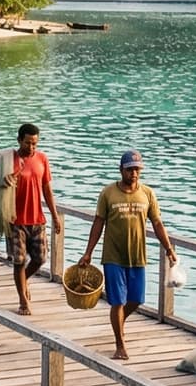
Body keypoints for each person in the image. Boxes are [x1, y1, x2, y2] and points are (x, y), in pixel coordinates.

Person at [75, 151, 177, 362]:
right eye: (130, 169)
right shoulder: (108, 193)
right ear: (121, 170)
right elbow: (98, 223)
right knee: (118, 302)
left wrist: (168, 248)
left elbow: (157, 223)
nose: (134, 174)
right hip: (113, 256)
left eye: (137, 169)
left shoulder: (147, 194)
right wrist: (88, 252)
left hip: (137, 256)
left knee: (136, 300)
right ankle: (120, 344)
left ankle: (118, 323)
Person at [4, 123, 61, 316]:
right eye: (28, 143)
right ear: (19, 140)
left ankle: (23, 280)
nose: (31, 147)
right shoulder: (8, 159)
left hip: (37, 218)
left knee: (40, 259)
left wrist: (54, 215)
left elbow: (47, 189)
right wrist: (5, 180)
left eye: (35, 143)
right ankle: (23, 300)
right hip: (15, 220)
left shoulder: (42, 159)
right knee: (19, 261)